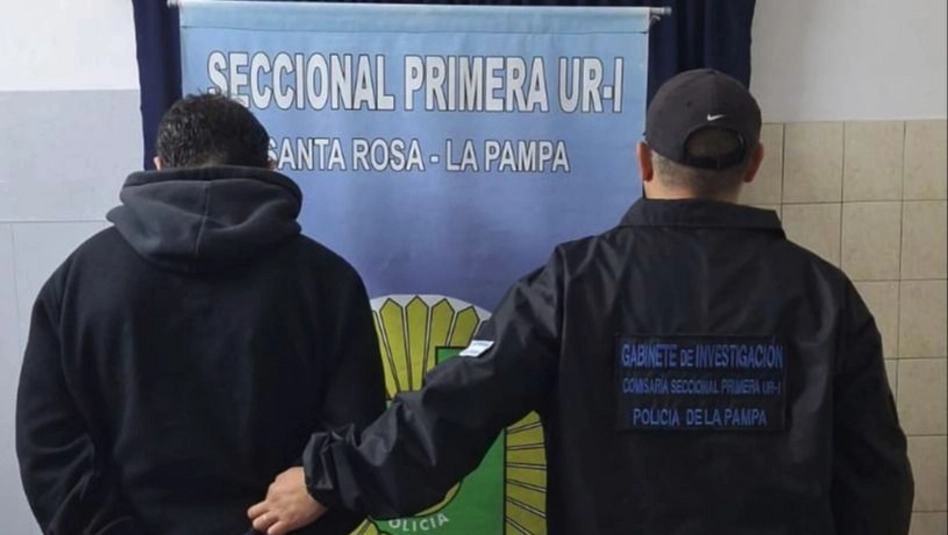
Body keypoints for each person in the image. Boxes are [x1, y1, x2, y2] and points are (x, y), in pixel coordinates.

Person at [249, 69, 914, 535]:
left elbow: (454, 408)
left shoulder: (574, 284)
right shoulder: (826, 297)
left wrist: (329, 476)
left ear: (643, 161)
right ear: (755, 163)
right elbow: (877, 481)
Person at [16, 94, 386, 535]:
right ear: (270, 168)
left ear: (158, 166)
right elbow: (355, 443)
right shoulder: (330, 283)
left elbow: (49, 448)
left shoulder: (79, 281)